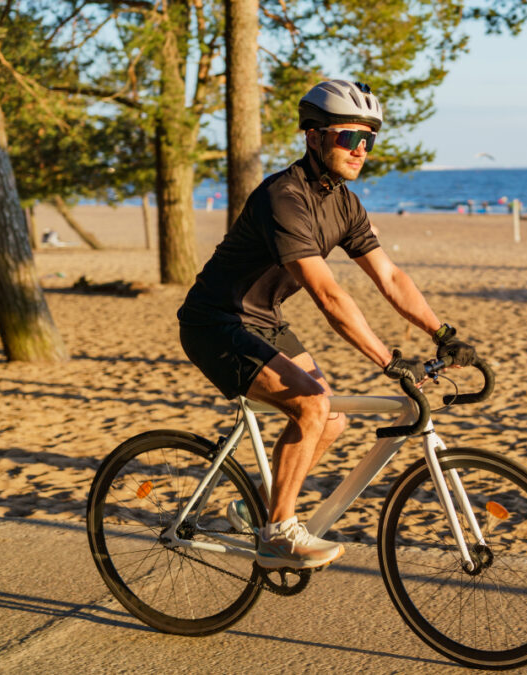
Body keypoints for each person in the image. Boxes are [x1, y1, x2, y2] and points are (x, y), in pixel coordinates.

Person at [177, 80, 477, 571]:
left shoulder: (344, 203)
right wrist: (387, 360)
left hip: (262, 320)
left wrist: (442, 333)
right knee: (312, 404)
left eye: (368, 141)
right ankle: (277, 535)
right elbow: (328, 295)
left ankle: (252, 507)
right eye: (347, 138)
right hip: (215, 321)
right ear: (313, 136)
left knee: (332, 419)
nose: (360, 150)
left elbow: (390, 277)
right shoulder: (284, 197)